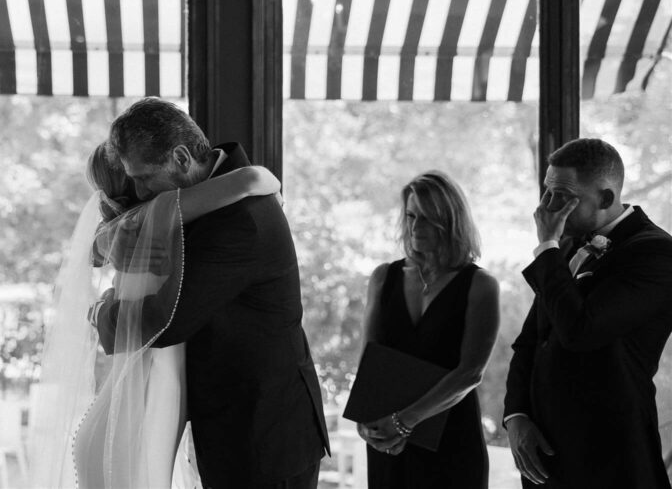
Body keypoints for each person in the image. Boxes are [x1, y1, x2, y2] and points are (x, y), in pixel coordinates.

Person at [89, 98, 331, 489]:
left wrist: (100, 313)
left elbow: (165, 322)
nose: (140, 190)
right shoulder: (218, 195)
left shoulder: (238, 221)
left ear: (182, 159)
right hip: (236, 425)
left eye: (145, 177)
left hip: (263, 436)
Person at [30, 142, 283, 488]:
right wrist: (275, 191)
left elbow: (96, 250)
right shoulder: (161, 214)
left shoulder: (128, 229)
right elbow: (252, 178)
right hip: (148, 402)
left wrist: (99, 307)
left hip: (123, 408)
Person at [504, 138, 672, 488]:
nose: (544, 208)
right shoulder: (568, 245)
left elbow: (580, 331)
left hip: (610, 458)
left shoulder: (656, 253)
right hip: (545, 455)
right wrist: (516, 415)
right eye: (546, 192)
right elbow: (532, 341)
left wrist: (547, 248)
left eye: (561, 196)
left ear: (606, 198)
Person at [356, 171, 499, 488]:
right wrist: (367, 421)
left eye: (428, 218)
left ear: (451, 222)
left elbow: (470, 372)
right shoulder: (383, 277)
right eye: (410, 215)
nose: (416, 228)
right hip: (390, 442)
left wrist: (404, 422)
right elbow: (370, 360)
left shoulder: (480, 285)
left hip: (453, 440)